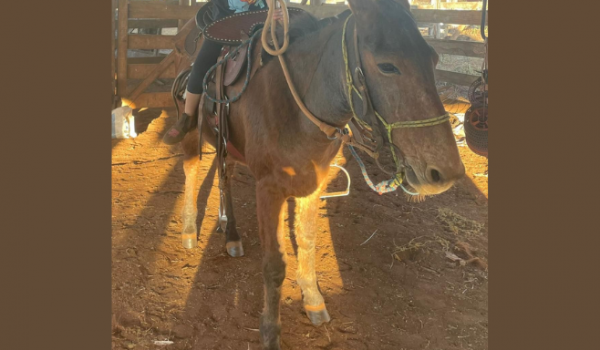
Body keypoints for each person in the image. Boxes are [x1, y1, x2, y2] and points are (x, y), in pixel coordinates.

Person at [163, 0, 282, 145]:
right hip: (226, 19)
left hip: (258, 17)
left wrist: (274, 10)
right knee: (202, 63)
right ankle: (188, 116)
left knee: (283, 53)